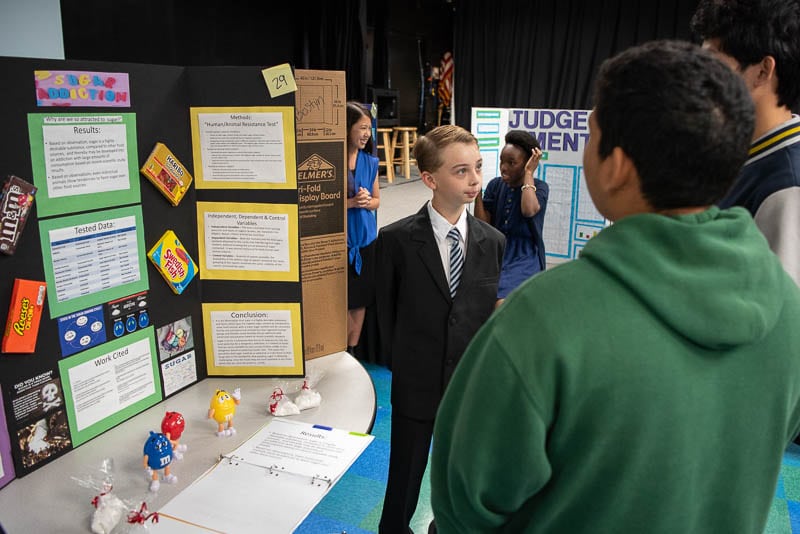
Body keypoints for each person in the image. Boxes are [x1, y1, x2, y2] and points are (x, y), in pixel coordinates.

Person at [430, 40, 800, 533]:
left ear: (618, 164)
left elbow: (463, 502)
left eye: (591, 133)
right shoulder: (789, 307)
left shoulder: (542, 319)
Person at [375, 125, 505, 533]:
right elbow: (385, 315)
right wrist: (406, 364)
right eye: (461, 171)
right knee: (405, 479)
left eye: (478, 168)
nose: (475, 180)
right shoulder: (394, 241)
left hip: (469, 388)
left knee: (461, 480)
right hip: (416, 382)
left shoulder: (493, 242)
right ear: (430, 179)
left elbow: (480, 313)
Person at [690, 0, 800, 286]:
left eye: (713, 63)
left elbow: (782, 319)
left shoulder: (788, 186)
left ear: (763, 71)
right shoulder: (737, 154)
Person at [473, 130, 549, 302]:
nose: (503, 167)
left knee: (501, 302)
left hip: (524, 254)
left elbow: (528, 210)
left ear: (527, 163)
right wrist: (478, 192)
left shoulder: (540, 187)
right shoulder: (495, 185)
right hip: (496, 250)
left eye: (511, 162)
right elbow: (482, 224)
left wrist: (529, 173)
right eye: (502, 161)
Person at [345, 101, 381, 355]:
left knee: (360, 302)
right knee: (341, 302)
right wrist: (351, 202)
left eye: (369, 128)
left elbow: (378, 200)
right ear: (347, 129)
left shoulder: (371, 162)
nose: (367, 133)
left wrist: (368, 201)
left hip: (366, 241)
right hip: (340, 243)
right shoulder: (331, 162)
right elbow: (318, 206)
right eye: (362, 128)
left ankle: (353, 351)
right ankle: (338, 350)